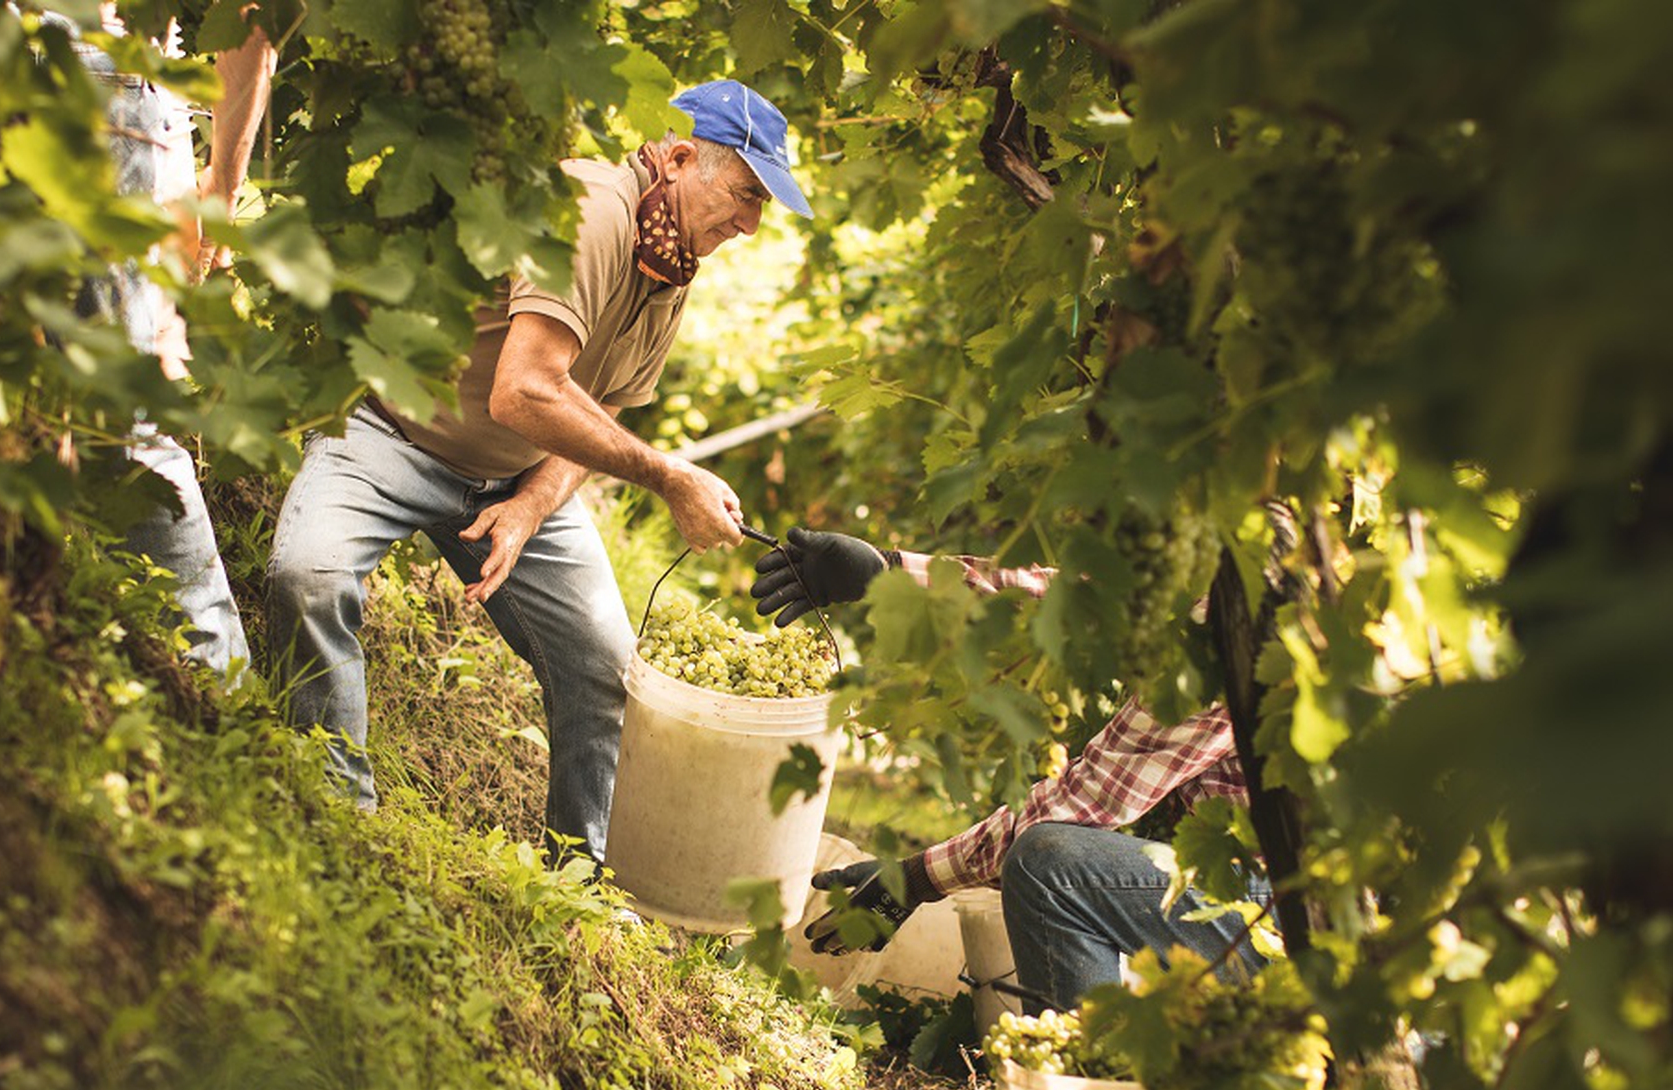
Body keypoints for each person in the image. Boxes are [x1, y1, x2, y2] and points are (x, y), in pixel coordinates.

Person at [266, 81, 813, 853]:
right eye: (745, 194)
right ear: (684, 157)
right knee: (308, 576)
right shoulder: (592, 212)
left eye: (762, 206)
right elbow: (524, 390)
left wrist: (530, 506)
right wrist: (669, 477)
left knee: (605, 668)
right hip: (392, 435)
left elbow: (606, 405)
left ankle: (582, 875)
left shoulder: (672, 260)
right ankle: (335, 822)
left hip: (513, 480)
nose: (752, 224)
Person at [754, 528, 1274, 1013]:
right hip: (1256, 899)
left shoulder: (1224, 629)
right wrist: (887, 573)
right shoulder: (1223, 560)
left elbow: (1092, 797)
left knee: (1052, 865)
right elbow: (1073, 602)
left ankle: (1083, 1087)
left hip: (1292, 928)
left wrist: (913, 879)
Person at [48, 4, 276, 677]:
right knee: (122, 419)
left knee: (79, 403)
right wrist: (223, 189)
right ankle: (223, 696)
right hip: (107, 75)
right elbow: (254, 18)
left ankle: (207, 687)